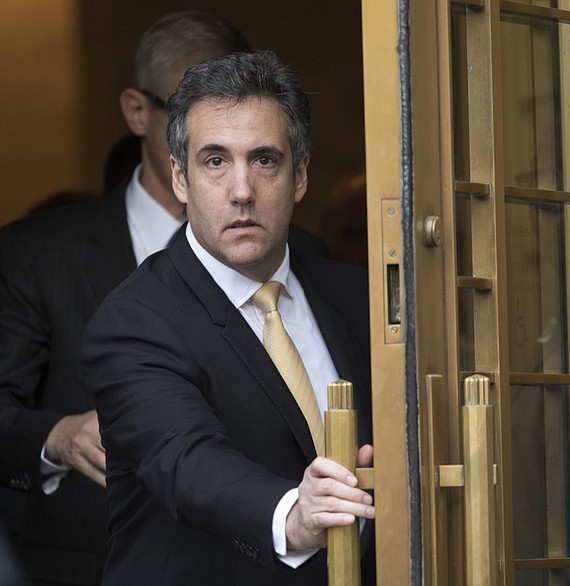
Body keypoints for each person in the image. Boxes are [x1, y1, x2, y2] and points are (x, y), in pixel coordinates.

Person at [81, 50, 375, 584]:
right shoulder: (134, 321)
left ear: (300, 174)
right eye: (215, 161)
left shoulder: (359, 298)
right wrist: (292, 514)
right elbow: (187, 461)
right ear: (179, 178)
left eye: (264, 160)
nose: (242, 191)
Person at [0, 11, 250, 585]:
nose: (215, 139)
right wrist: (56, 437)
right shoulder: (37, 254)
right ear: (138, 112)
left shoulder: (300, 255)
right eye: (190, 114)